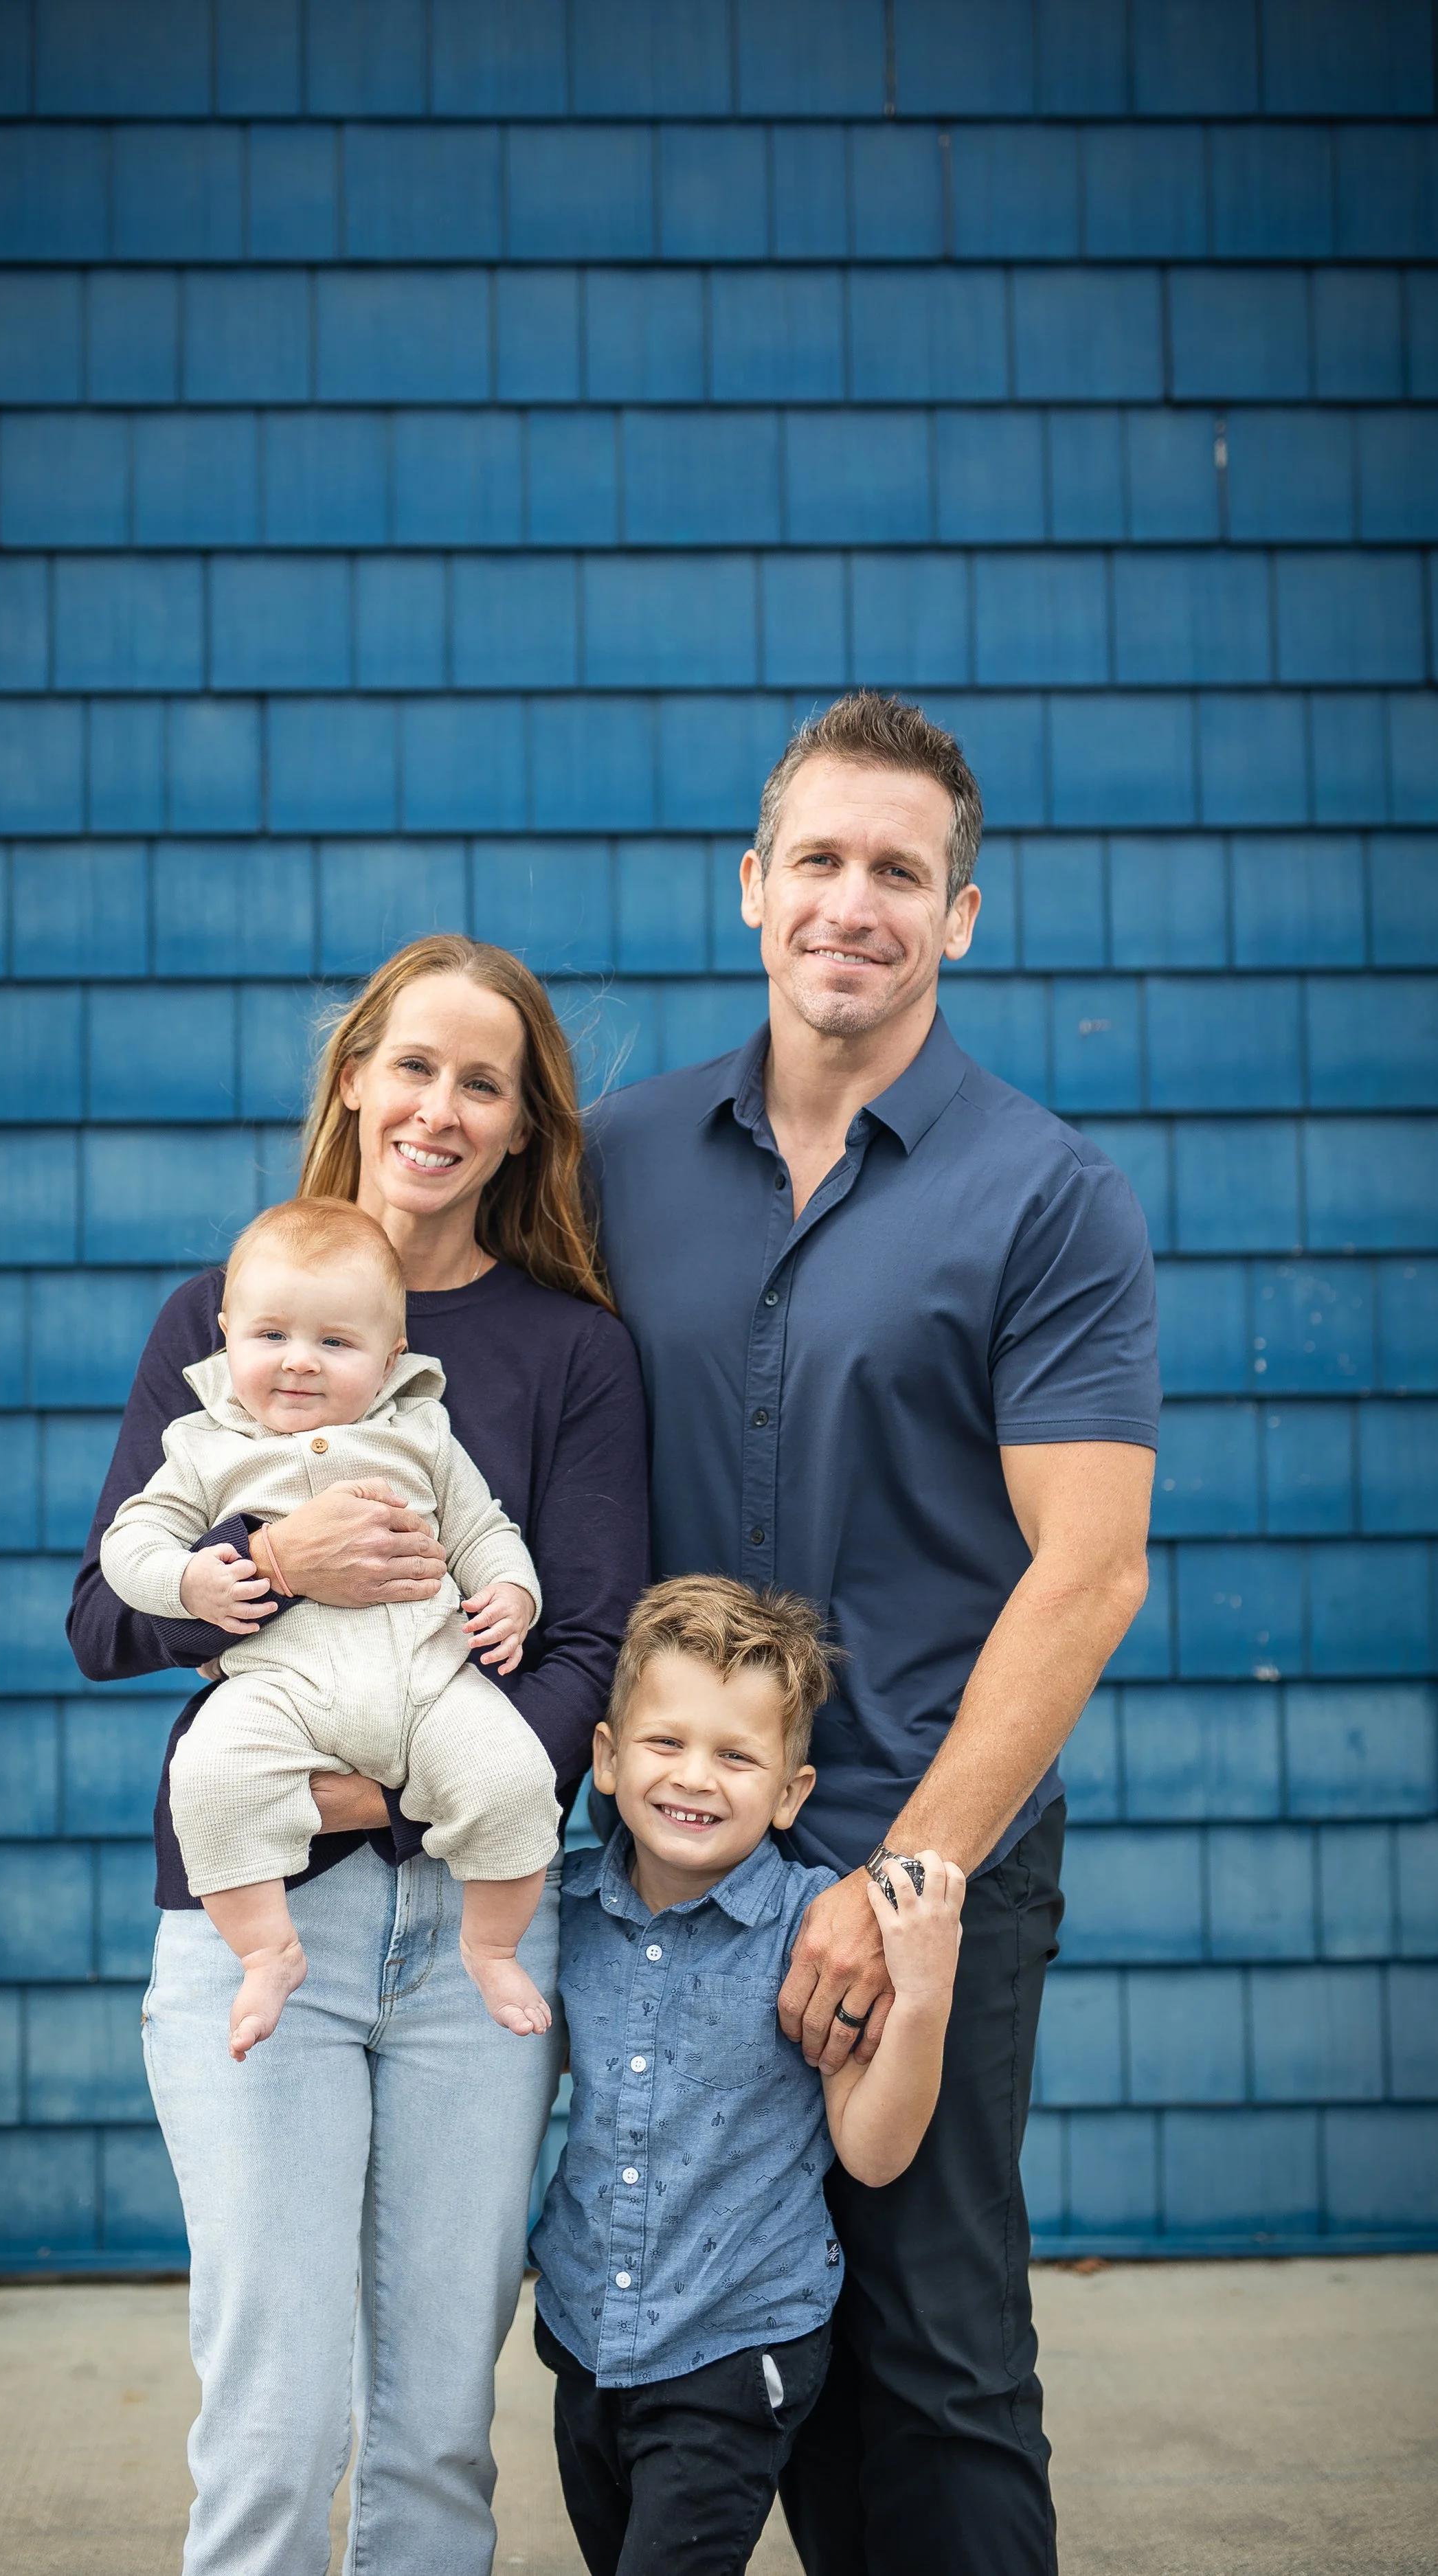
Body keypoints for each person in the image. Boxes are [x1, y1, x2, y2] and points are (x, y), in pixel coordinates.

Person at [586, 692, 1160, 2576]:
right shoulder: (615, 1159)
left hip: (933, 1844)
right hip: (669, 1857)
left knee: (926, 2358)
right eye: (817, 859)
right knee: (675, 2351)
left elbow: (1083, 1569)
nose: (854, 902)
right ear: (750, 886)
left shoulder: (1043, 1191)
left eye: (898, 871)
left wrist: (895, 1874)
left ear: (960, 914)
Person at [68, 935, 648, 2576]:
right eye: (412, 1065)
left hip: (481, 1938)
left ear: (526, 1124)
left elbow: (588, 1641)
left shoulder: (570, 1351)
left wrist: (390, 1792)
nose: (440, 1106)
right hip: (267, 1924)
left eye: (484, 1081)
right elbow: (105, 1615)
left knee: (435, 2429)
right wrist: (271, 1558)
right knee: (272, 2410)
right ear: (353, 1078)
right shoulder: (222, 1311)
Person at [532, 1576, 966, 2576]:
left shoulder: (816, 1933)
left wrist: (927, 1995)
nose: (696, 1777)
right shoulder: (563, 1913)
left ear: (788, 1793)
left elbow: (873, 2148)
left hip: (738, 2343)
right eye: (665, 1742)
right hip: (587, 2331)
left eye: (736, 1754)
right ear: (605, 1758)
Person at [100, 1195, 558, 2055]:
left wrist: (511, 1592)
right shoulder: (201, 1445)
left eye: (335, 1344)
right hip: (281, 1688)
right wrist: (192, 1579)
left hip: (429, 1684)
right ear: (226, 1331)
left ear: (390, 1360)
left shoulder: (420, 1435)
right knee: (208, 1780)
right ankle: (267, 1950)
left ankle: (491, 1947)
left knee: (514, 1778)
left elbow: (482, 1527)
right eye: (271, 1336)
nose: (299, 1364)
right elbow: (131, 1543)